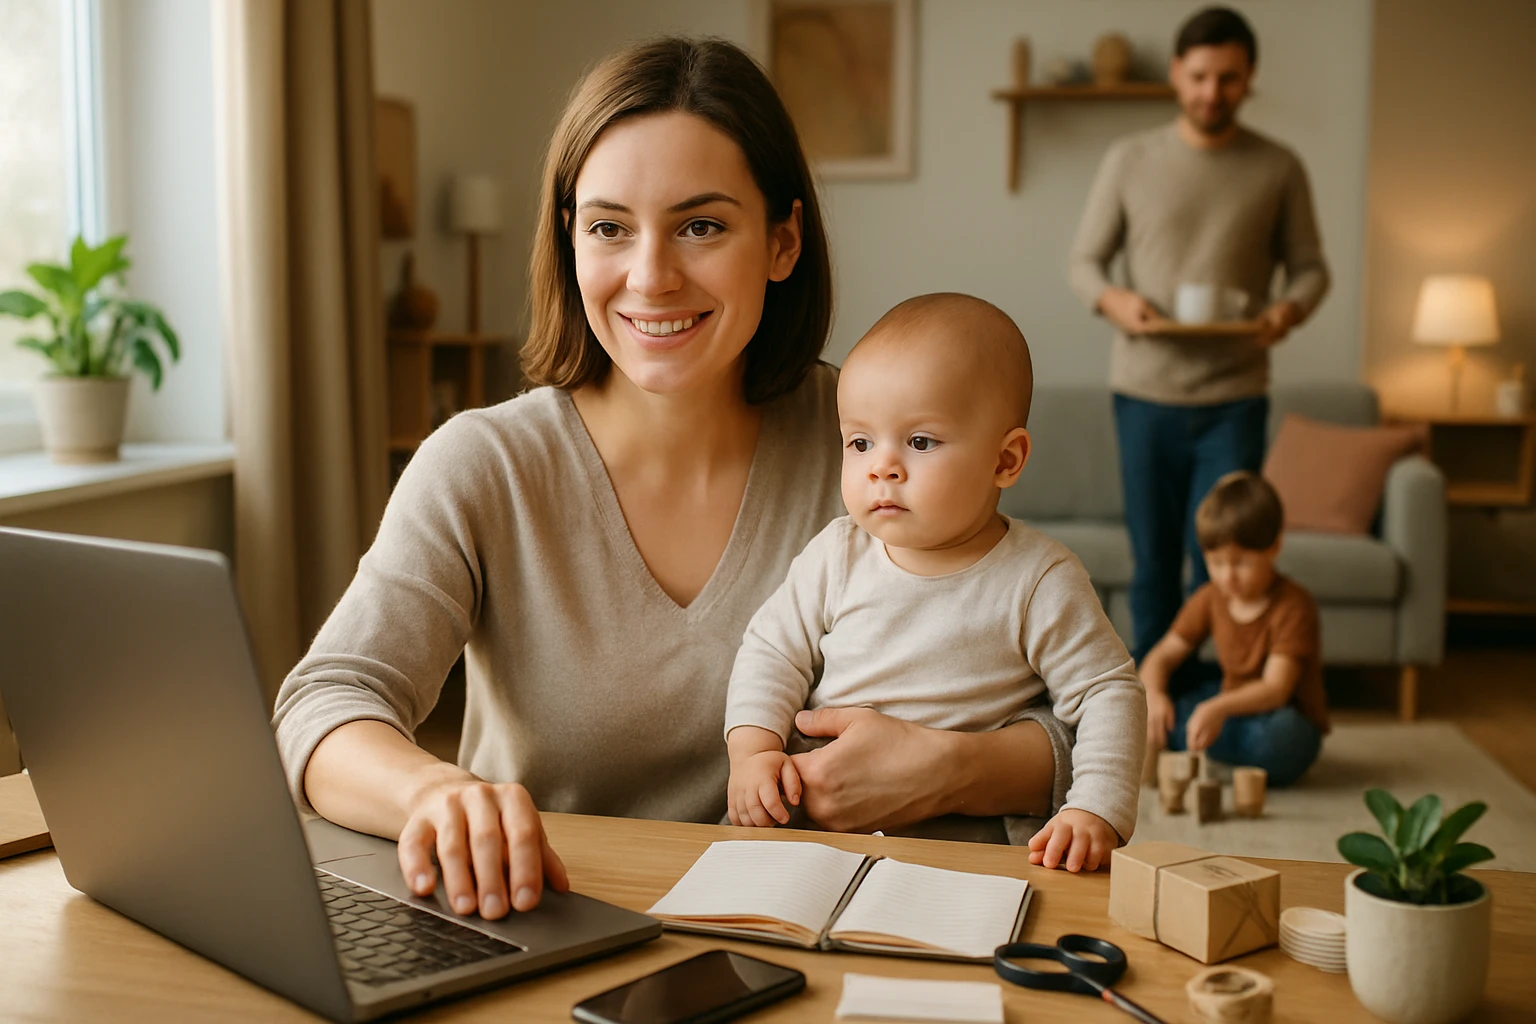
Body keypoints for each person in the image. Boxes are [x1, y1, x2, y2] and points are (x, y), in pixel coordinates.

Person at [272, 39, 1072, 923]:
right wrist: (430, 792)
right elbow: (324, 704)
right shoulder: (483, 464)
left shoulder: (875, 447)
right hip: (549, 932)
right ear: (569, 239)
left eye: (701, 225)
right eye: (609, 226)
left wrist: (954, 767)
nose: (650, 277)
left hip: (810, 941)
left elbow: (1076, 717)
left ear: (782, 241)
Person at [723, 294, 1145, 872]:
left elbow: (1107, 692)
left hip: (969, 844)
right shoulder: (836, 553)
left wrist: (1095, 808)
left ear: (1005, 460)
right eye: (860, 442)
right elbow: (771, 651)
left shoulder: (1038, 579)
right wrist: (752, 749)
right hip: (817, 821)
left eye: (920, 442)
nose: (882, 467)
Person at [1067, 6, 1330, 665]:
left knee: (1226, 561)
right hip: (1144, 393)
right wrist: (1114, 301)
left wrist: (1287, 311)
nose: (1214, 92)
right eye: (1202, 76)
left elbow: (1311, 270)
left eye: (1230, 79)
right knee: (1153, 560)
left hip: (1235, 397)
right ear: (1179, 74)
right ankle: (1148, 710)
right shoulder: (1129, 158)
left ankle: (1224, 700)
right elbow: (1083, 263)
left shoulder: (1279, 166)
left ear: (1249, 80)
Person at [1140, 471, 1328, 786]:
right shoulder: (1212, 597)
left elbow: (1275, 689)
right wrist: (1155, 695)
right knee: (1157, 705)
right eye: (1216, 564)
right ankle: (1213, 750)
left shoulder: (1294, 605)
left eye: (1241, 563)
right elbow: (1161, 656)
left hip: (1281, 716)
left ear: (1274, 547)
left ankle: (1207, 750)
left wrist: (1216, 709)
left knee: (1280, 738)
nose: (1228, 577)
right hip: (1230, 707)